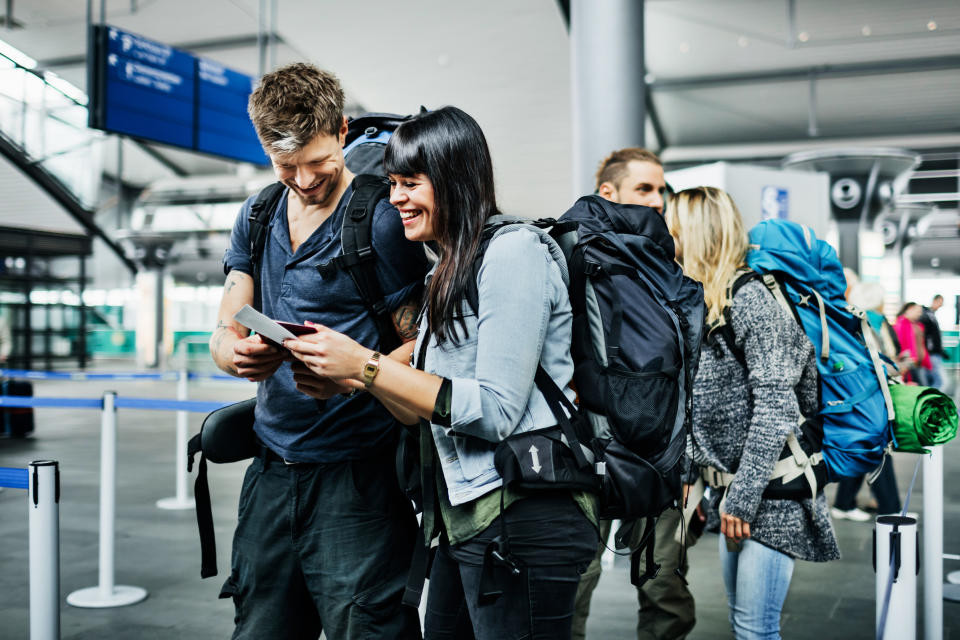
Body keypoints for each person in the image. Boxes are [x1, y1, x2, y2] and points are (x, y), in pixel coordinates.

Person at [285, 106, 599, 640]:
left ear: (456, 180)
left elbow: (497, 411)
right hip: (468, 516)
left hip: (525, 514)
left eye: (410, 183)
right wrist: (356, 376)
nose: (395, 199)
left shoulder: (513, 252)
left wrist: (363, 364)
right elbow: (419, 407)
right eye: (391, 183)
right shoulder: (449, 267)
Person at [209, 63, 428, 639]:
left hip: (360, 481)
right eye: (286, 166)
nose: (304, 180)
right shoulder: (257, 216)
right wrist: (236, 356)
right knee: (260, 628)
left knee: (370, 628)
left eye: (318, 162)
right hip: (271, 473)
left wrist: (354, 375)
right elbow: (223, 328)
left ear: (343, 130)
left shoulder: (382, 217)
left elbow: (425, 348)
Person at [666, 186, 839, 640]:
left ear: (699, 234)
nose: (667, 237)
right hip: (737, 496)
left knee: (755, 629)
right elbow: (696, 407)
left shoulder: (752, 302)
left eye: (674, 227)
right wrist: (694, 481)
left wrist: (739, 498)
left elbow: (775, 410)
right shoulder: (706, 305)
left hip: (774, 493)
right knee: (745, 623)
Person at [571, 147, 700, 640]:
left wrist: (686, 461)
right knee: (573, 582)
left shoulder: (666, 263)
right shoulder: (568, 252)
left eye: (660, 189)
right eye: (644, 188)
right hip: (586, 449)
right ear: (609, 192)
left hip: (660, 451)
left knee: (665, 584)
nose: (657, 199)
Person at [830, 281, 903, 521]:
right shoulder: (870, 322)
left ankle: (845, 502)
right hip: (869, 396)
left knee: (865, 448)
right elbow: (878, 361)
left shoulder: (849, 320)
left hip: (857, 397)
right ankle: (889, 509)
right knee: (876, 450)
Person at [894, 302, 931, 386]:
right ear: (910, 309)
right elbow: (899, 345)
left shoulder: (917, 325)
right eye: (918, 311)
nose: (920, 314)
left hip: (918, 363)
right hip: (910, 363)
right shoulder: (900, 324)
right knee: (922, 387)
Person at [921, 294, 948, 391]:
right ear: (935, 301)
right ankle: (933, 400)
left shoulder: (932, 315)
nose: (941, 305)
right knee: (941, 381)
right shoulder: (927, 315)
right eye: (940, 302)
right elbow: (926, 336)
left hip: (934, 353)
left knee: (933, 380)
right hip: (931, 354)